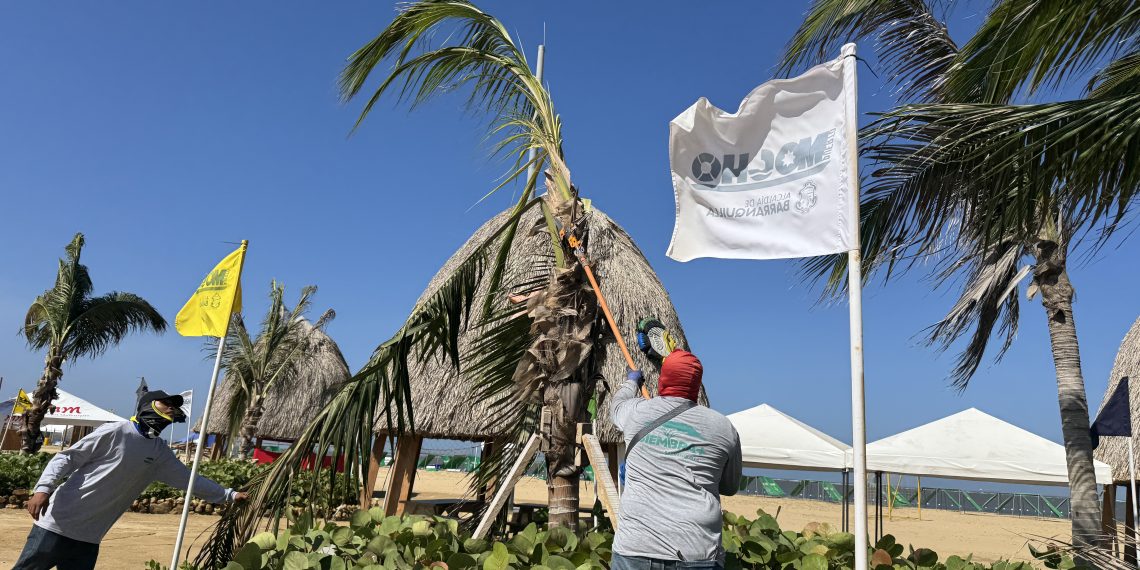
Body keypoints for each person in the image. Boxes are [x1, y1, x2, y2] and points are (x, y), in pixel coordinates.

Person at [13, 390, 248, 570]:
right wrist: (43, 489)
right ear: (147, 406)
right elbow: (66, 458)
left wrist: (229, 495)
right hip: (56, 525)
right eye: (166, 404)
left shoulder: (159, 452)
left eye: (173, 408)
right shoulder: (116, 431)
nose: (170, 410)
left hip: (89, 538)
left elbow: (190, 480)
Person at [610, 350, 742, 569]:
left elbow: (616, 406)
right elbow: (729, 486)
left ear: (663, 379)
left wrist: (631, 382)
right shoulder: (724, 428)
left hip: (635, 549)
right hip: (696, 552)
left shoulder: (636, 413)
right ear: (697, 386)